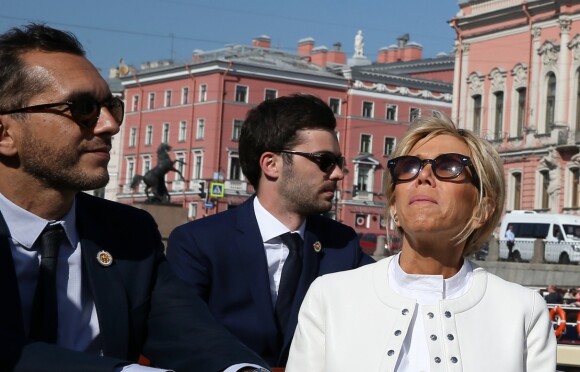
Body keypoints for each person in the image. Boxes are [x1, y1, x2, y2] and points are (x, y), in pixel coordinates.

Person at [0, 23, 269, 372]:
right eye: (82, 108)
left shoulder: (128, 232)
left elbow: (190, 333)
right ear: (5, 134)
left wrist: (243, 370)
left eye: (111, 105)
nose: (110, 124)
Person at [286, 115, 555, 372]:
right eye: (408, 166)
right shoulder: (330, 298)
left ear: (482, 210)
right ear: (394, 207)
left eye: (448, 165)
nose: (422, 176)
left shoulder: (522, 311)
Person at [167, 94, 373, 367]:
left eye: (339, 162)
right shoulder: (199, 243)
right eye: (324, 160)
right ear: (271, 164)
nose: (338, 173)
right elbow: (180, 335)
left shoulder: (342, 244)